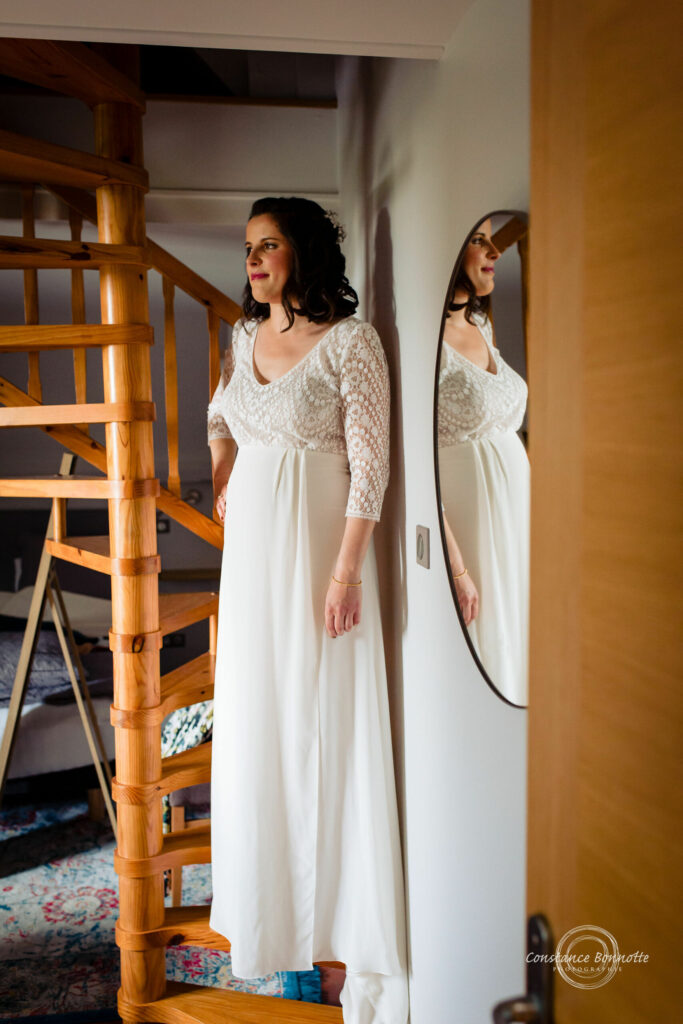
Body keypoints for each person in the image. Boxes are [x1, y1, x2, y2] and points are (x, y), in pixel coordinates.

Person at [207, 197, 408, 1023]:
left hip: (320, 554)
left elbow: (372, 466)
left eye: (269, 245)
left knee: (320, 724)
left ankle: (339, 933)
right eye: (248, 247)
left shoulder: (351, 342)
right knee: (261, 722)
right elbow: (221, 411)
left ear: (305, 254)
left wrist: (345, 573)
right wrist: (223, 469)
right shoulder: (241, 337)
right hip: (253, 561)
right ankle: (277, 927)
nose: (253, 260)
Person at [437, 218, 529, 706]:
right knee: (486, 643)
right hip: (469, 522)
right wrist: (455, 565)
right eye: (478, 240)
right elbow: (412, 464)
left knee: (523, 631)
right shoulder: (420, 339)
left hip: (516, 516)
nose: (494, 251)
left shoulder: (480, 324)